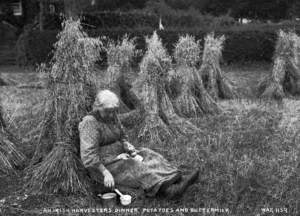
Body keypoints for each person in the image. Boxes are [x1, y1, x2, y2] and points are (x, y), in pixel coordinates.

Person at [78, 90, 199, 199]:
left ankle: (171, 177)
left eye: (114, 111)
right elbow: (89, 156)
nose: (111, 115)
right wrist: (105, 173)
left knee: (147, 153)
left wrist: (126, 145)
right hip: (103, 165)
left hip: (121, 154)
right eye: (108, 111)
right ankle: (165, 187)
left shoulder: (112, 116)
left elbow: (122, 135)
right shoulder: (90, 123)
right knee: (133, 165)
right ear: (97, 107)